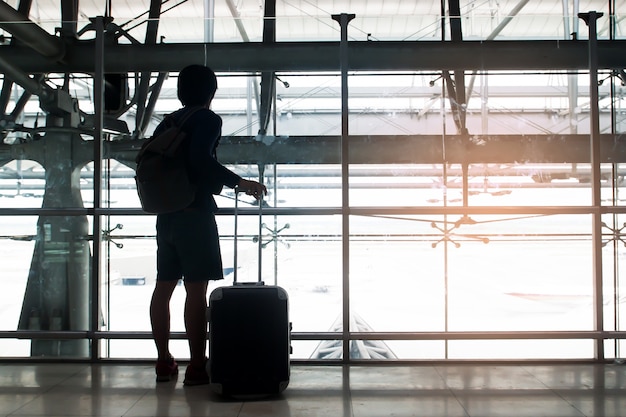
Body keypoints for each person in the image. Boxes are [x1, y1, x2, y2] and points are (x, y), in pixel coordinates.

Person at [149, 64, 267, 385]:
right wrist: (239, 182)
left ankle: (163, 362)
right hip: (195, 212)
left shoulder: (169, 122)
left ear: (180, 91)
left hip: (167, 214)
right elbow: (201, 160)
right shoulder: (207, 119)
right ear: (211, 93)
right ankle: (197, 366)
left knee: (163, 288)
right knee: (196, 290)